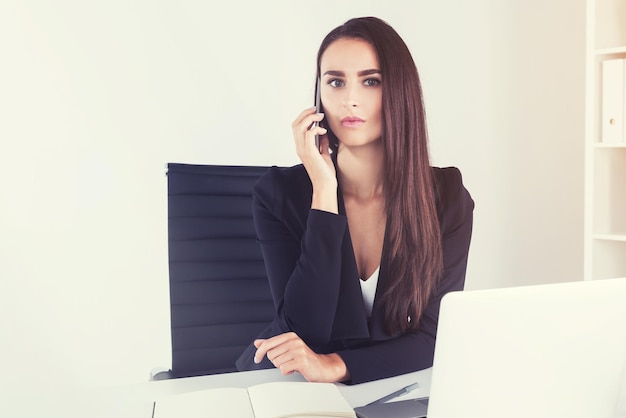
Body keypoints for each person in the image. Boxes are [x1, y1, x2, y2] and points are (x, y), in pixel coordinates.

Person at [236, 16, 474, 385]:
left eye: (371, 81)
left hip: (387, 389)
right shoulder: (277, 194)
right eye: (335, 82)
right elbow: (304, 329)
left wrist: (334, 365)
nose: (349, 99)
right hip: (290, 385)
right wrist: (323, 191)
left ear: (400, 91)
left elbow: (432, 337)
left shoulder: (446, 198)